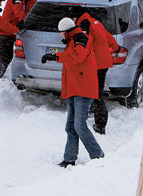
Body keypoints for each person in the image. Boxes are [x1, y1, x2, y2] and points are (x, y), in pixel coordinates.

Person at [41, 17, 104, 167]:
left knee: (79, 126)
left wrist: (54, 56)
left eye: (61, 33)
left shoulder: (80, 39)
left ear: (66, 32)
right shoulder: (73, 40)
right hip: (74, 88)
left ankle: (98, 156)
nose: (61, 36)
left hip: (83, 89)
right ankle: (69, 159)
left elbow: (77, 57)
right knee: (70, 127)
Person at [70, 6, 119, 135]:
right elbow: (107, 36)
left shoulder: (84, 24)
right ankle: (94, 113)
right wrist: (116, 47)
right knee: (95, 91)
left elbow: (86, 42)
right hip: (103, 63)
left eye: (73, 18)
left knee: (96, 94)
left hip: (96, 64)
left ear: (76, 17)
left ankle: (100, 125)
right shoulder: (95, 22)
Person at [0, 0, 33, 76]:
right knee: (5, 58)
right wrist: (26, 23)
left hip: (10, 32)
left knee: (6, 57)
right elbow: (19, 13)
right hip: (6, 33)